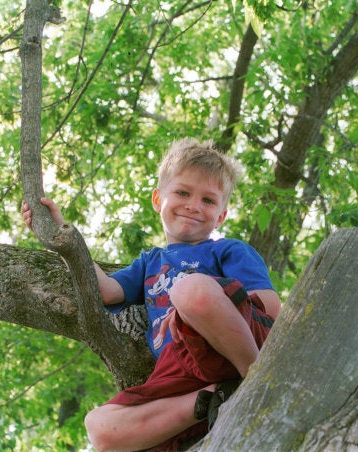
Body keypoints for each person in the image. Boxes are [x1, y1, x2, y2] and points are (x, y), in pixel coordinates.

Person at [22, 138, 281, 451]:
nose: (194, 205)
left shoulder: (229, 249)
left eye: (209, 201)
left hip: (234, 344)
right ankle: (214, 399)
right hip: (182, 371)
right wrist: (62, 235)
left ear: (221, 216)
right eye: (183, 193)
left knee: (188, 289)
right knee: (100, 428)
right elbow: (105, 290)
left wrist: (191, 305)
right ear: (158, 199)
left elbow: (271, 309)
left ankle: (258, 382)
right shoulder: (149, 263)